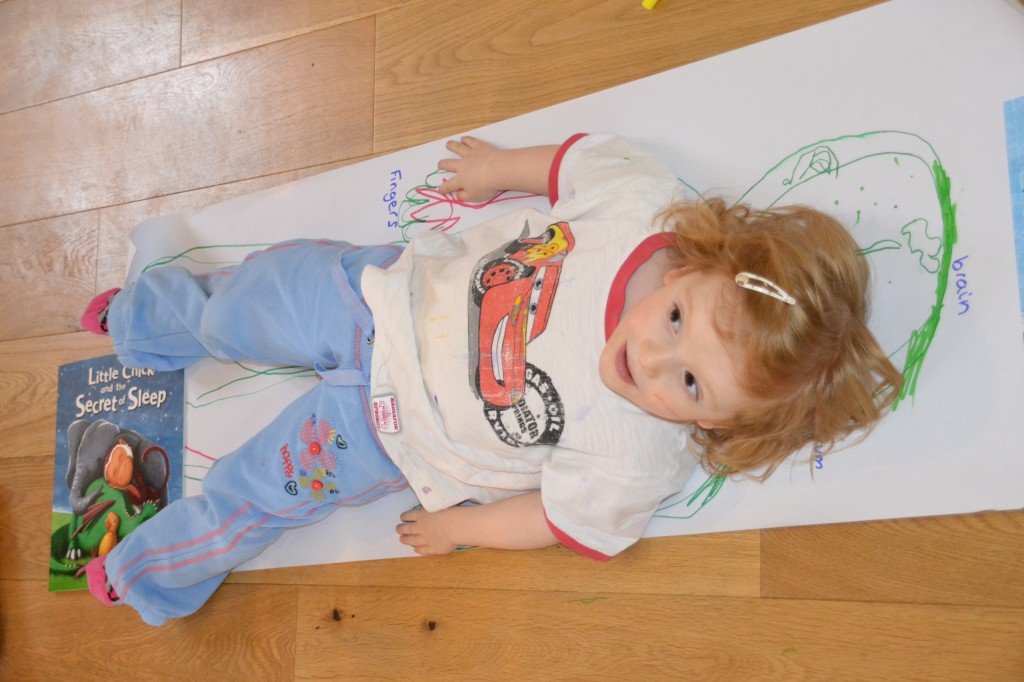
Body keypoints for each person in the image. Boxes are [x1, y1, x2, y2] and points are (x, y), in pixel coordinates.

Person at [79, 133, 902, 625]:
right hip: (379, 297)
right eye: (677, 319)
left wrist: (462, 530)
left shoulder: (643, 456)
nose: (651, 360)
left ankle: (149, 571)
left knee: (259, 491)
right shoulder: (643, 208)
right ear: (709, 259)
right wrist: (502, 169)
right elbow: (581, 163)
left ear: (720, 425)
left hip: (388, 435)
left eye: (689, 386)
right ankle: (144, 322)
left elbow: (557, 518)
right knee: (245, 304)